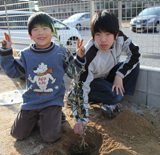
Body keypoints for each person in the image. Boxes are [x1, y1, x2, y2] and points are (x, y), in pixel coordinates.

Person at [0, 12, 85, 142]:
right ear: (30, 35)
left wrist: (79, 57)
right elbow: (13, 72)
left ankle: (55, 114)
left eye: (45, 28)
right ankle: (38, 118)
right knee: (17, 134)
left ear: (52, 31)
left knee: (49, 137)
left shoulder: (61, 52)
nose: (41, 33)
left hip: (52, 101)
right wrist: (6, 51)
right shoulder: (26, 55)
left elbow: (73, 73)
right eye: (35, 29)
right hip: (31, 101)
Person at [73, 10, 141, 135]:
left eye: (108, 34)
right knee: (116, 96)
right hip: (91, 81)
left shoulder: (120, 38)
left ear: (116, 35)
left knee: (135, 65)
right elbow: (82, 85)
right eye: (98, 34)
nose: (103, 40)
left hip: (107, 73)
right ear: (93, 35)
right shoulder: (90, 54)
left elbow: (135, 54)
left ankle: (111, 99)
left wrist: (119, 75)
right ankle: (110, 100)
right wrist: (81, 118)